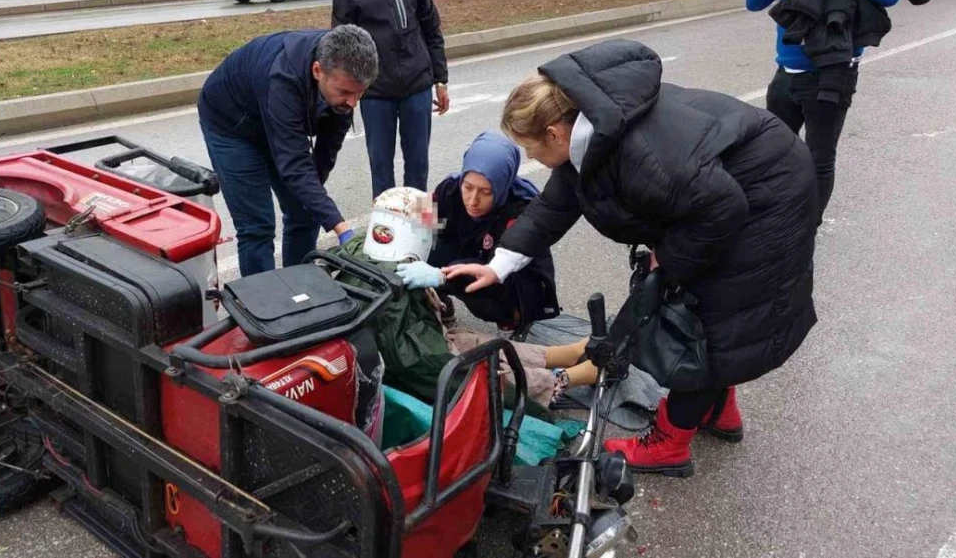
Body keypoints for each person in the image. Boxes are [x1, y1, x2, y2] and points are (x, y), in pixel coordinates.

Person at [446, 39, 820, 478]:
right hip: (732, 185)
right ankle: (717, 410)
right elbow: (555, 205)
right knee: (709, 317)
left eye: (531, 150)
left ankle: (669, 443)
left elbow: (721, 209)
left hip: (762, 200)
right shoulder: (594, 127)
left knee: (705, 323)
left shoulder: (640, 155)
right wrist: (497, 265)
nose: (533, 159)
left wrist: (669, 262)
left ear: (554, 133)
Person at [336, 187, 597, 413]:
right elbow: (431, 365)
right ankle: (565, 379)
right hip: (413, 362)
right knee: (476, 372)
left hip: (401, 345)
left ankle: (567, 354)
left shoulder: (362, 248)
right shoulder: (395, 288)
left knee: (464, 339)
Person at [747, 0, 933, 225]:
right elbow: (754, 2)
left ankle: (806, 228)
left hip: (832, 72)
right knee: (773, 152)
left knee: (818, 157)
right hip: (786, 72)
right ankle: (775, 214)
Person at [197, 26, 378, 276]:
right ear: (317, 71)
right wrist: (341, 227)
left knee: (307, 210)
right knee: (257, 227)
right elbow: (294, 165)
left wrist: (314, 197)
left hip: (277, 122)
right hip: (232, 128)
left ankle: (298, 287)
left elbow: (325, 155)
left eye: (360, 92)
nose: (353, 102)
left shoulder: (342, 76)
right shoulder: (283, 77)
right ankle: (263, 306)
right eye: (345, 92)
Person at [393, 131, 561, 333]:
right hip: (472, 252)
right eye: (468, 187)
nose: (473, 200)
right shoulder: (450, 187)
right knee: (421, 242)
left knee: (467, 278)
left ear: (503, 184)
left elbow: (498, 268)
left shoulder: (523, 209)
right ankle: (438, 300)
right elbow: (421, 221)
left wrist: (441, 276)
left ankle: (512, 316)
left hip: (511, 279)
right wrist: (400, 216)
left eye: (486, 192)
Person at [332, 0, 450, 200]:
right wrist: (349, 91)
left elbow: (431, 29)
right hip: (375, 93)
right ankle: (387, 235)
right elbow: (340, 44)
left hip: (417, 86)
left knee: (418, 166)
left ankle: (418, 232)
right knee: (381, 170)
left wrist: (440, 80)